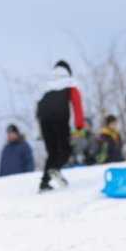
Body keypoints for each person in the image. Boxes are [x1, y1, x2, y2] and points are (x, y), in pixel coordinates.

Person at [36, 60, 84, 192]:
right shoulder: (70, 83)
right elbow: (76, 103)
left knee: (52, 152)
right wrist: (79, 125)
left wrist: (38, 131)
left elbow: (38, 106)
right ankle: (55, 169)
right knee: (66, 149)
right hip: (59, 118)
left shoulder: (46, 86)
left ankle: (44, 183)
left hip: (44, 119)